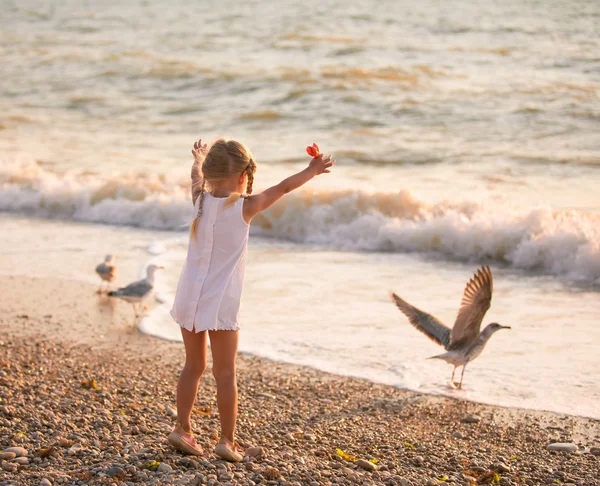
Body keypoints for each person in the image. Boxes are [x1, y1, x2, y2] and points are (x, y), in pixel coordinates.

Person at [168, 138, 335, 461]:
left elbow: (195, 177)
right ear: (244, 176)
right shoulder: (245, 206)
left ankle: (182, 428)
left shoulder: (199, 201)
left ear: (209, 173)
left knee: (193, 366)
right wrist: (312, 171)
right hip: (219, 303)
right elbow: (284, 187)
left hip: (189, 295)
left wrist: (198, 158)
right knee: (225, 373)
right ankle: (227, 440)